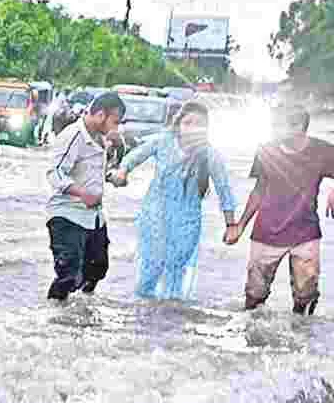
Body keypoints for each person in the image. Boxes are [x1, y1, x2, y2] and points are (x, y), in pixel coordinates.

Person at [225, 106, 334, 315]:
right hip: (266, 233)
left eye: (277, 126)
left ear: (298, 127)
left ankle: (301, 340)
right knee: (253, 298)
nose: (272, 131)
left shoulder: (324, 152)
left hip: (305, 234)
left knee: (305, 299)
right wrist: (240, 226)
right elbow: (258, 191)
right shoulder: (266, 150)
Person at [110, 102, 237, 301]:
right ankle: (142, 311)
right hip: (155, 216)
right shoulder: (163, 141)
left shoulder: (208, 154)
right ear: (178, 124)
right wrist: (122, 171)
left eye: (198, 124)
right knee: (153, 264)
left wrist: (231, 225)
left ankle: (171, 317)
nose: (192, 128)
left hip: (187, 221)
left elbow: (224, 190)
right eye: (188, 122)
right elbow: (133, 157)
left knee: (177, 267)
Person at [45, 92, 126, 300]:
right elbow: (54, 173)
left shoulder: (101, 139)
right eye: (115, 122)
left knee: (98, 268)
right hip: (67, 216)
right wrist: (82, 193)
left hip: (94, 218)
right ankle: (54, 318)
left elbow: (95, 171)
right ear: (100, 115)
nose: (116, 128)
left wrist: (112, 176)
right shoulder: (74, 136)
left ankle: (83, 311)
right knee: (68, 275)